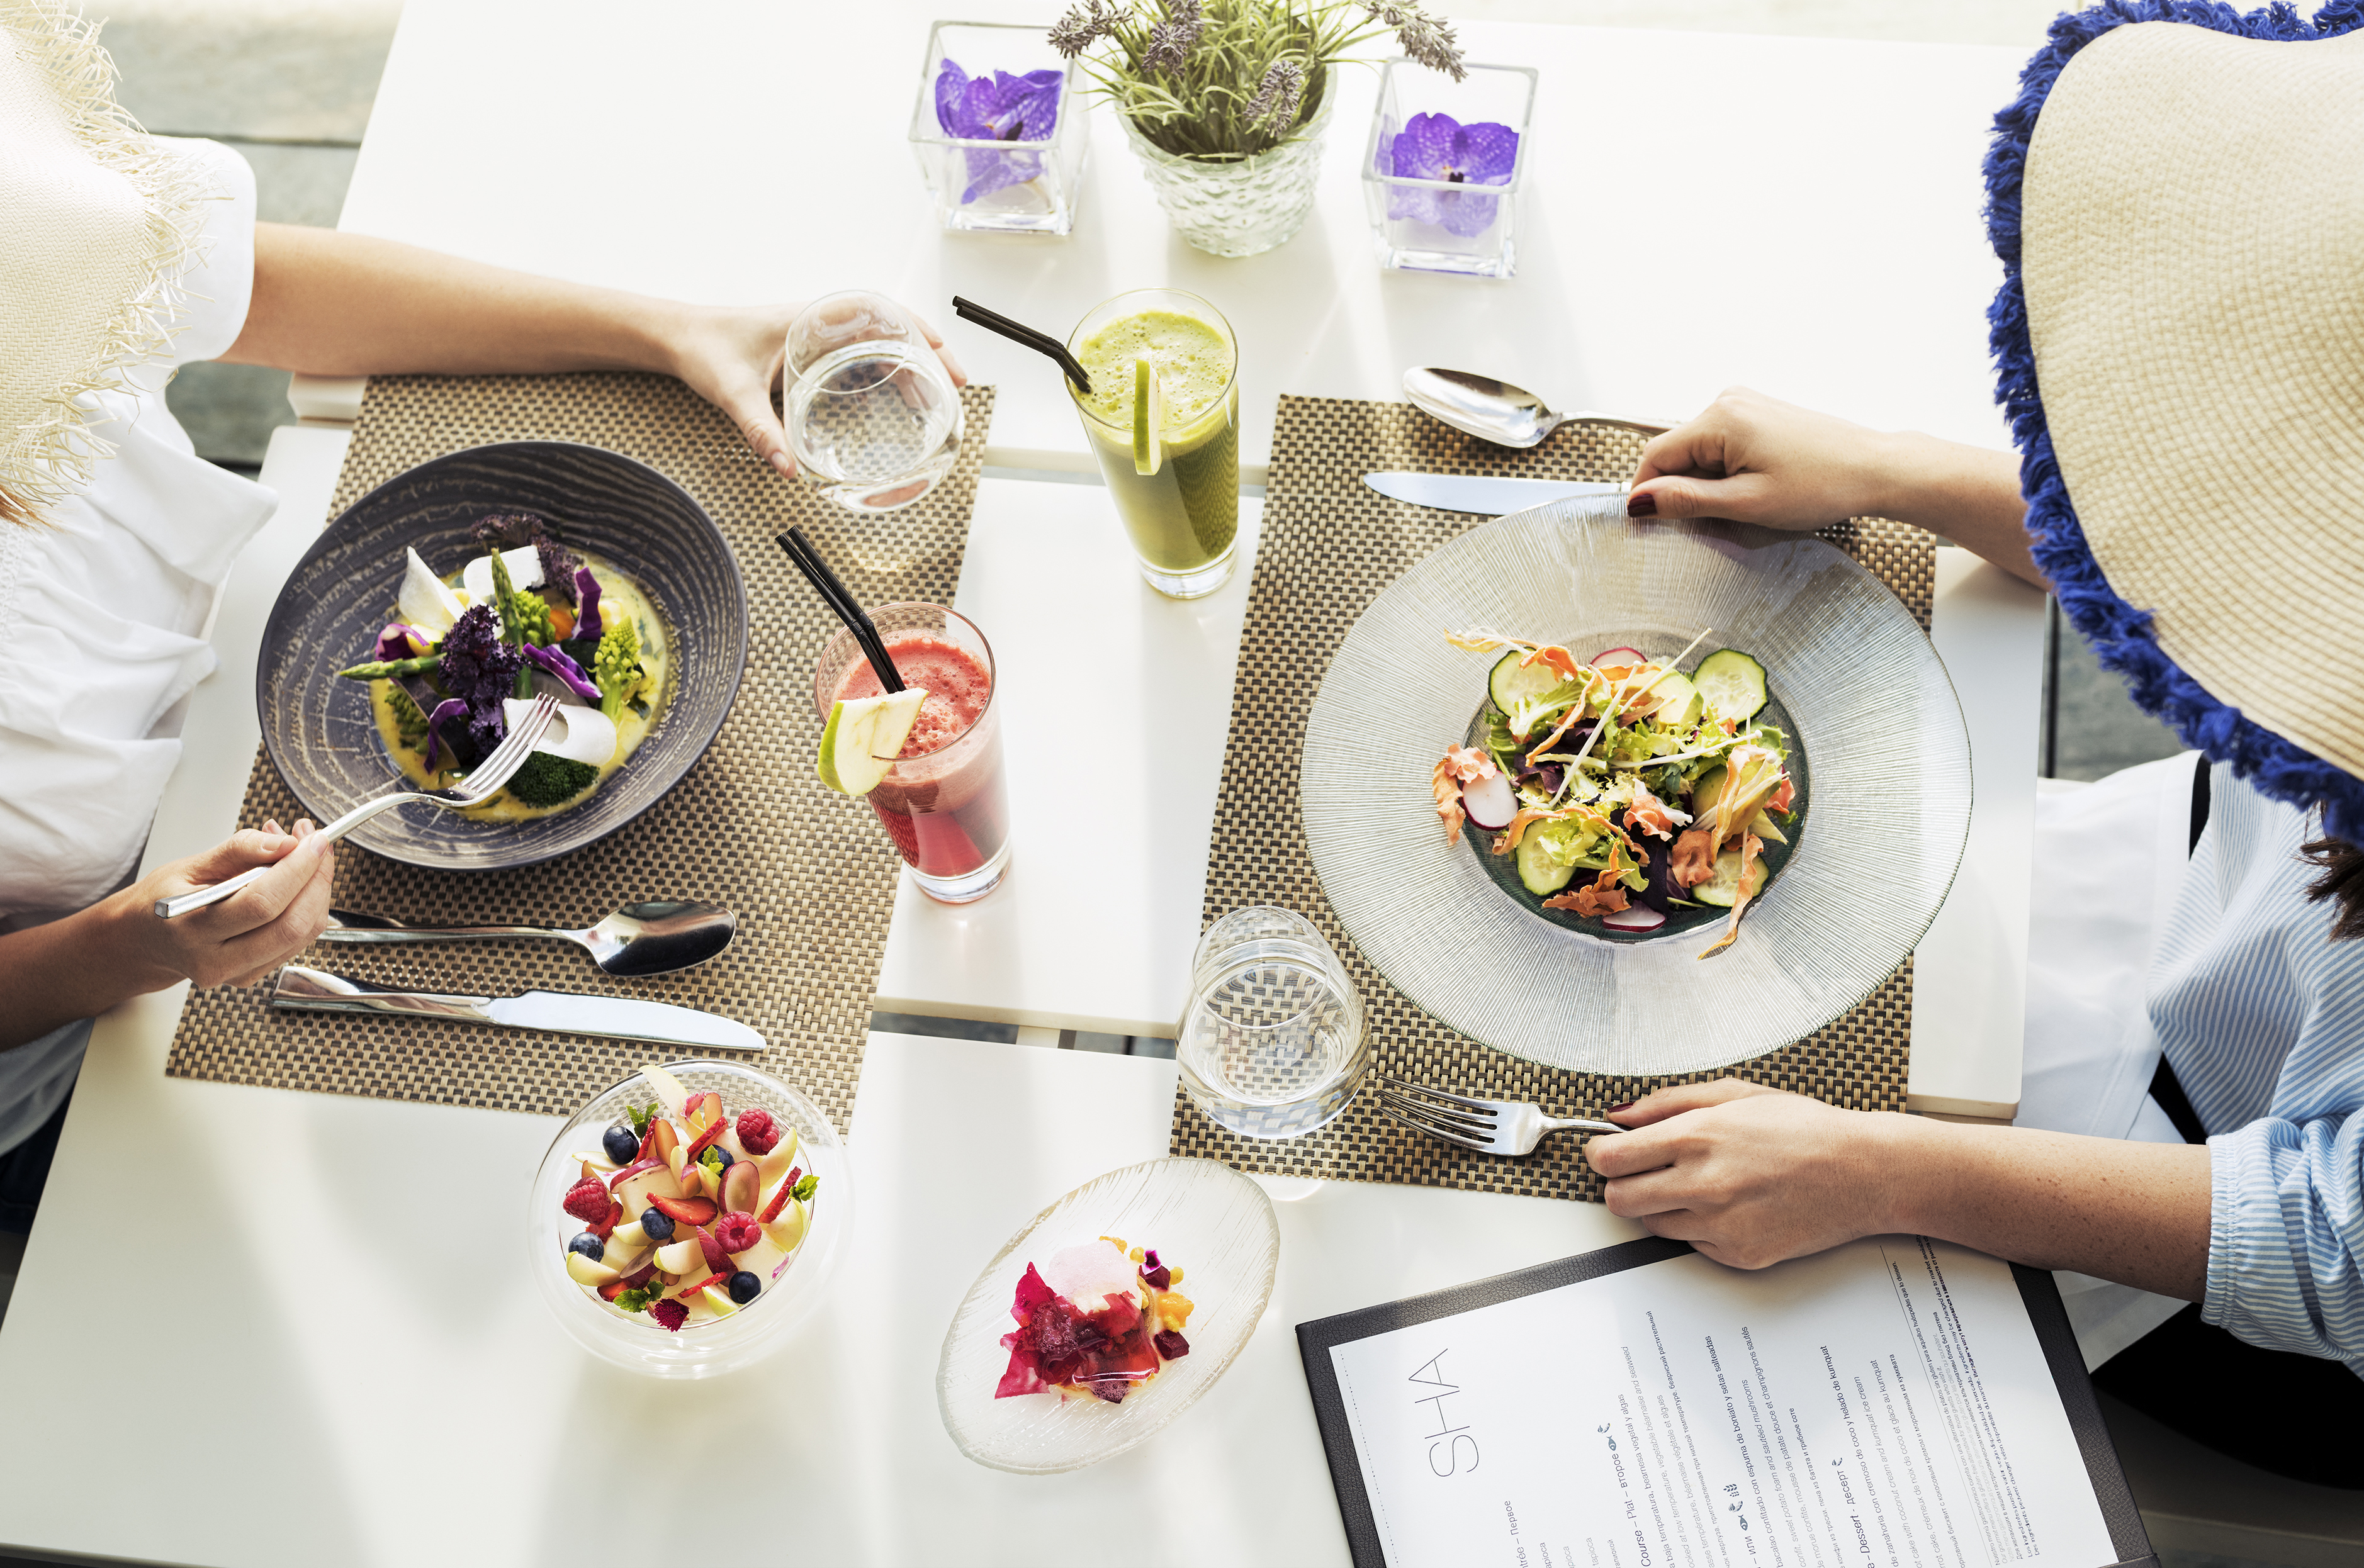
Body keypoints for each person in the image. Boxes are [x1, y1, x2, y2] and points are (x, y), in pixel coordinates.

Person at [0, 1, 962, 1232]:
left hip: (245, 673)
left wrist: (666, 330)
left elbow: (240, 286)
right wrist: (128, 945)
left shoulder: (34, 252)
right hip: (80, 1081)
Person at [1585, 3, 2364, 1487]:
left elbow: (2329, 1237)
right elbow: (2227, 534)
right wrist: (1903, 476)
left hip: (2222, 1235)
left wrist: (1877, 1175)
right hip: (2182, 893)